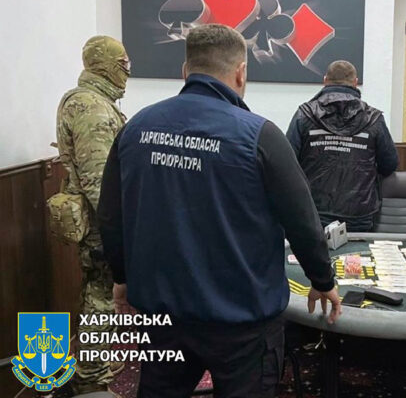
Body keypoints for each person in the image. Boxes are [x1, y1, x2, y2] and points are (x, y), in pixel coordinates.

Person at [98, 24, 341, 398]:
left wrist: (121, 276)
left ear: (185, 71)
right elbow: (302, 222)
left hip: (163, 315)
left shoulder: (136, 128)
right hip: (242, 323)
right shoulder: (259, 135)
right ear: (241, 72)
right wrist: (322, 280)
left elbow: (111, 214)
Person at [55, 36, 130, 396]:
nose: (127, 72)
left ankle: (92, 367)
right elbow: (99, 182)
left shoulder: (94, 102)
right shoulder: (92, 108)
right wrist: (120, 232)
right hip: (102, 225)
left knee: (98, 295)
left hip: (101, 221)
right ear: (105, 66)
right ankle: (91, 378)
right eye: (123, 64)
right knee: (100, 299)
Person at [286, 60, 399, 231]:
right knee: (358, 250)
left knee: (312, 250)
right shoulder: (373, 118)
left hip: (314, 211)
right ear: (355, 82)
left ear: (325, 80)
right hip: (359, 212)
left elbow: (288, 163)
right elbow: (389, 164)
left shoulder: (305, 114)